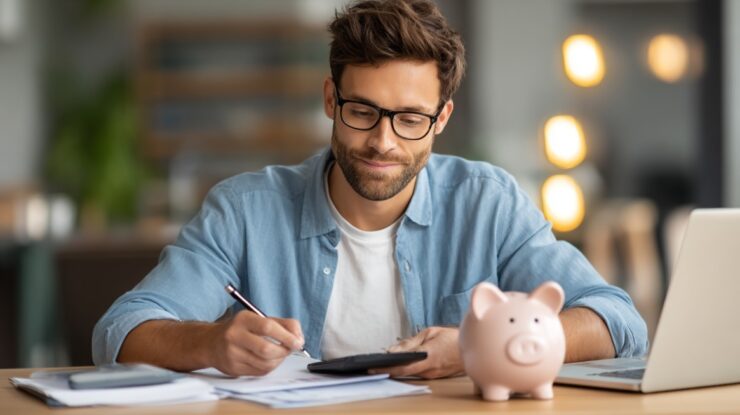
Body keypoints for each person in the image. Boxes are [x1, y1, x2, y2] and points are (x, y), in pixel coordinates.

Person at [93, 0, 648, 379]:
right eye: (363, 111)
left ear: (442, 117)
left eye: (410, 118)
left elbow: (616, 322)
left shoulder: (488, 203)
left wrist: (482, 348)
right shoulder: (245, 210)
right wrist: (208, 343)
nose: (383, 141)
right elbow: (119, 332)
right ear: (331, 101)